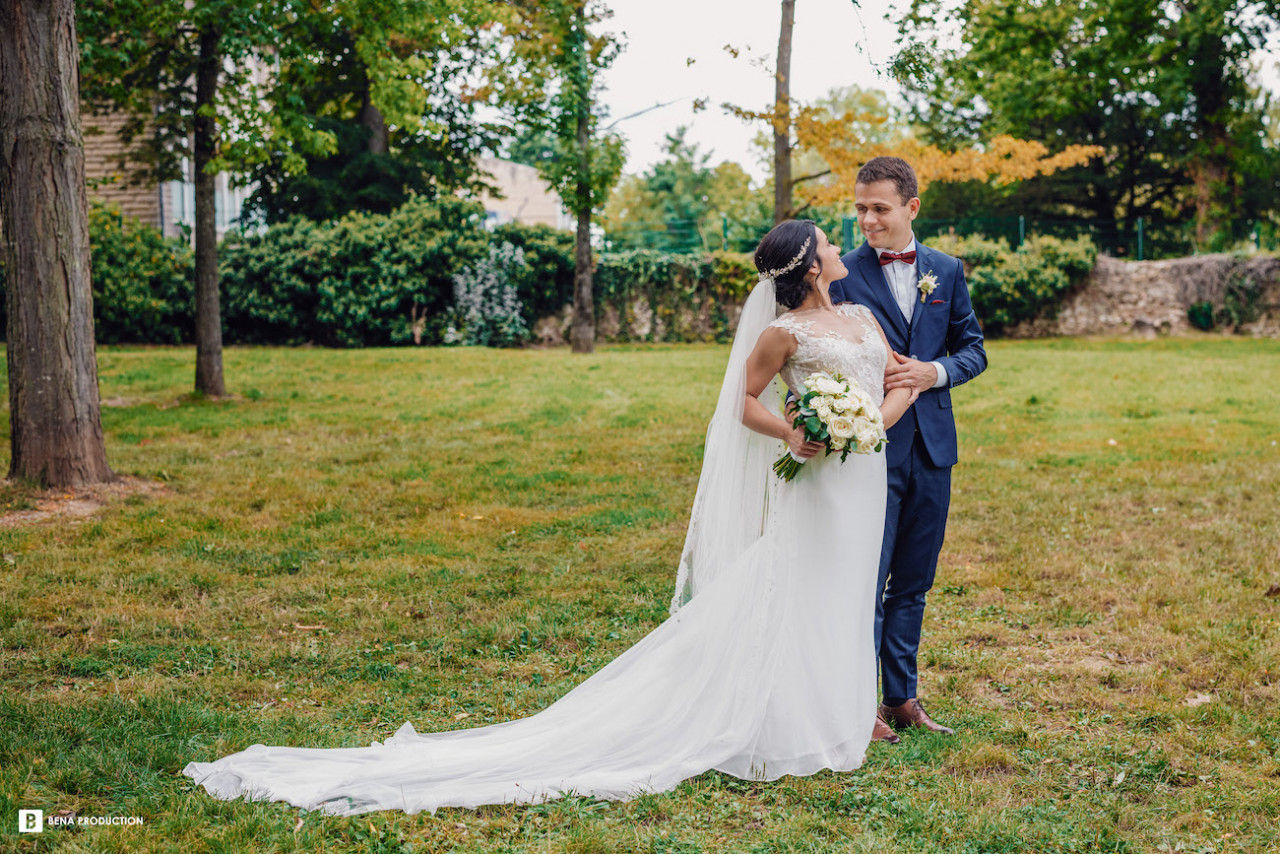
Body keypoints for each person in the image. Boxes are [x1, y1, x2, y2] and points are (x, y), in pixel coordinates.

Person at [183, 221, 917, 816]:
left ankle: (839, 719)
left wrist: (878, 418)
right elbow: (744, 405)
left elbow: (893, 386)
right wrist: (794, 434)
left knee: (848, 591)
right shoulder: (782, 334)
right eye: (825, 240)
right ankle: (789, 726)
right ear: (811, 266)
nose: (836, 244)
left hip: (862, 479)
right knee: (800, 587)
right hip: (814, 481)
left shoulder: (858, 316)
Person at [828, 156, 987, 739]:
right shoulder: (840, 273)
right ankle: (855, 703)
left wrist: (933, 373)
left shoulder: (946, 270)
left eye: (880, 209)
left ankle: (901, 697)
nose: (867, 220)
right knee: (866, 579)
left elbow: (974, 349)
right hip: (868, 450)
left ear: (911, 207)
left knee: (914, 581)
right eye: (861, 209)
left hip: (933, 450)